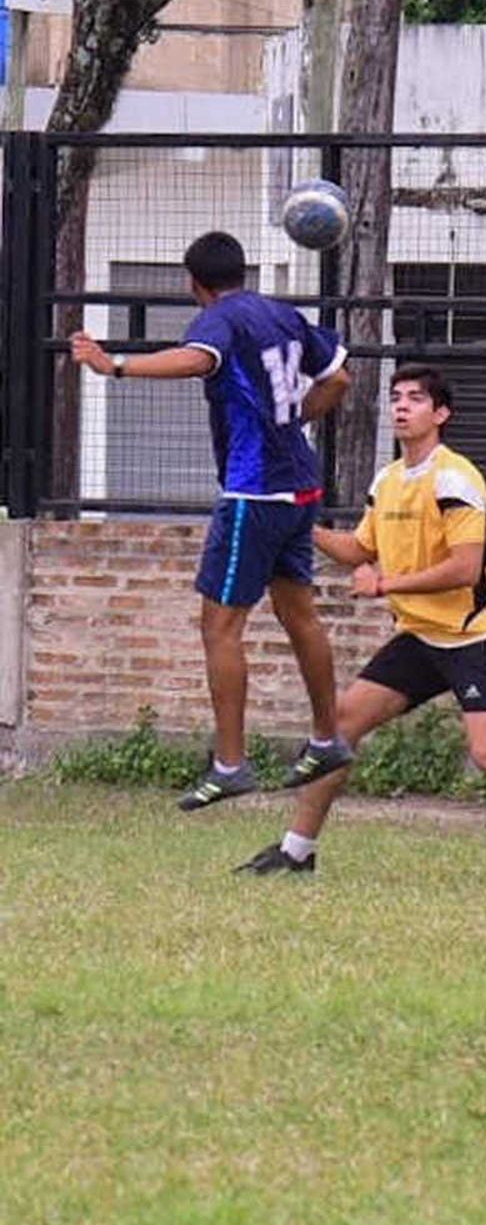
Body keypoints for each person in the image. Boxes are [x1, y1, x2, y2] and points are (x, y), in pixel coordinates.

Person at [235, 364, 486, 894]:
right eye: (395, 397)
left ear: (440, 414)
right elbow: (359, 550)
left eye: (415, 399)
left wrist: (386, 584)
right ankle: (297, 852)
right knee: (338, 728)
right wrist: (302, 527)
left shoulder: (455, 477)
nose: (401, 406)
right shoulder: (387, 480)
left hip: (476, 631)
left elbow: (464, 568)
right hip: (421, 635)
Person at [69, 230, 353, 811]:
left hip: (254, 493)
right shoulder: (281, 314)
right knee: (298, 612)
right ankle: (327, 737)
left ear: (192, 282)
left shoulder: (220, 319)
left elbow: (199, 359)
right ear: (242, 271)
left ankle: (230, 764)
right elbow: (339, 378)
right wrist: (297, 419)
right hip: (300, 486)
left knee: (219, 628)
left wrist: (113, 364)